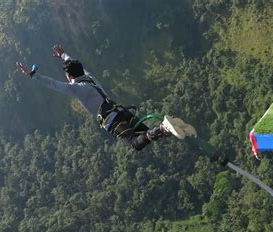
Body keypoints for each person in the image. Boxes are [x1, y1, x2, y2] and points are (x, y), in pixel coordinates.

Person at [16, 44, 196, 151]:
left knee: (135, 144)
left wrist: (32, 75)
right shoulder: (89, 77)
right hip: (121, 111)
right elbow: (77, 65)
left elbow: (54, 84)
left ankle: (164, 128)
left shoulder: (77, 88)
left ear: (70, 77)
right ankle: (175, 129)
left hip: (114, 120)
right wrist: (63, 55)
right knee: (145, 134)